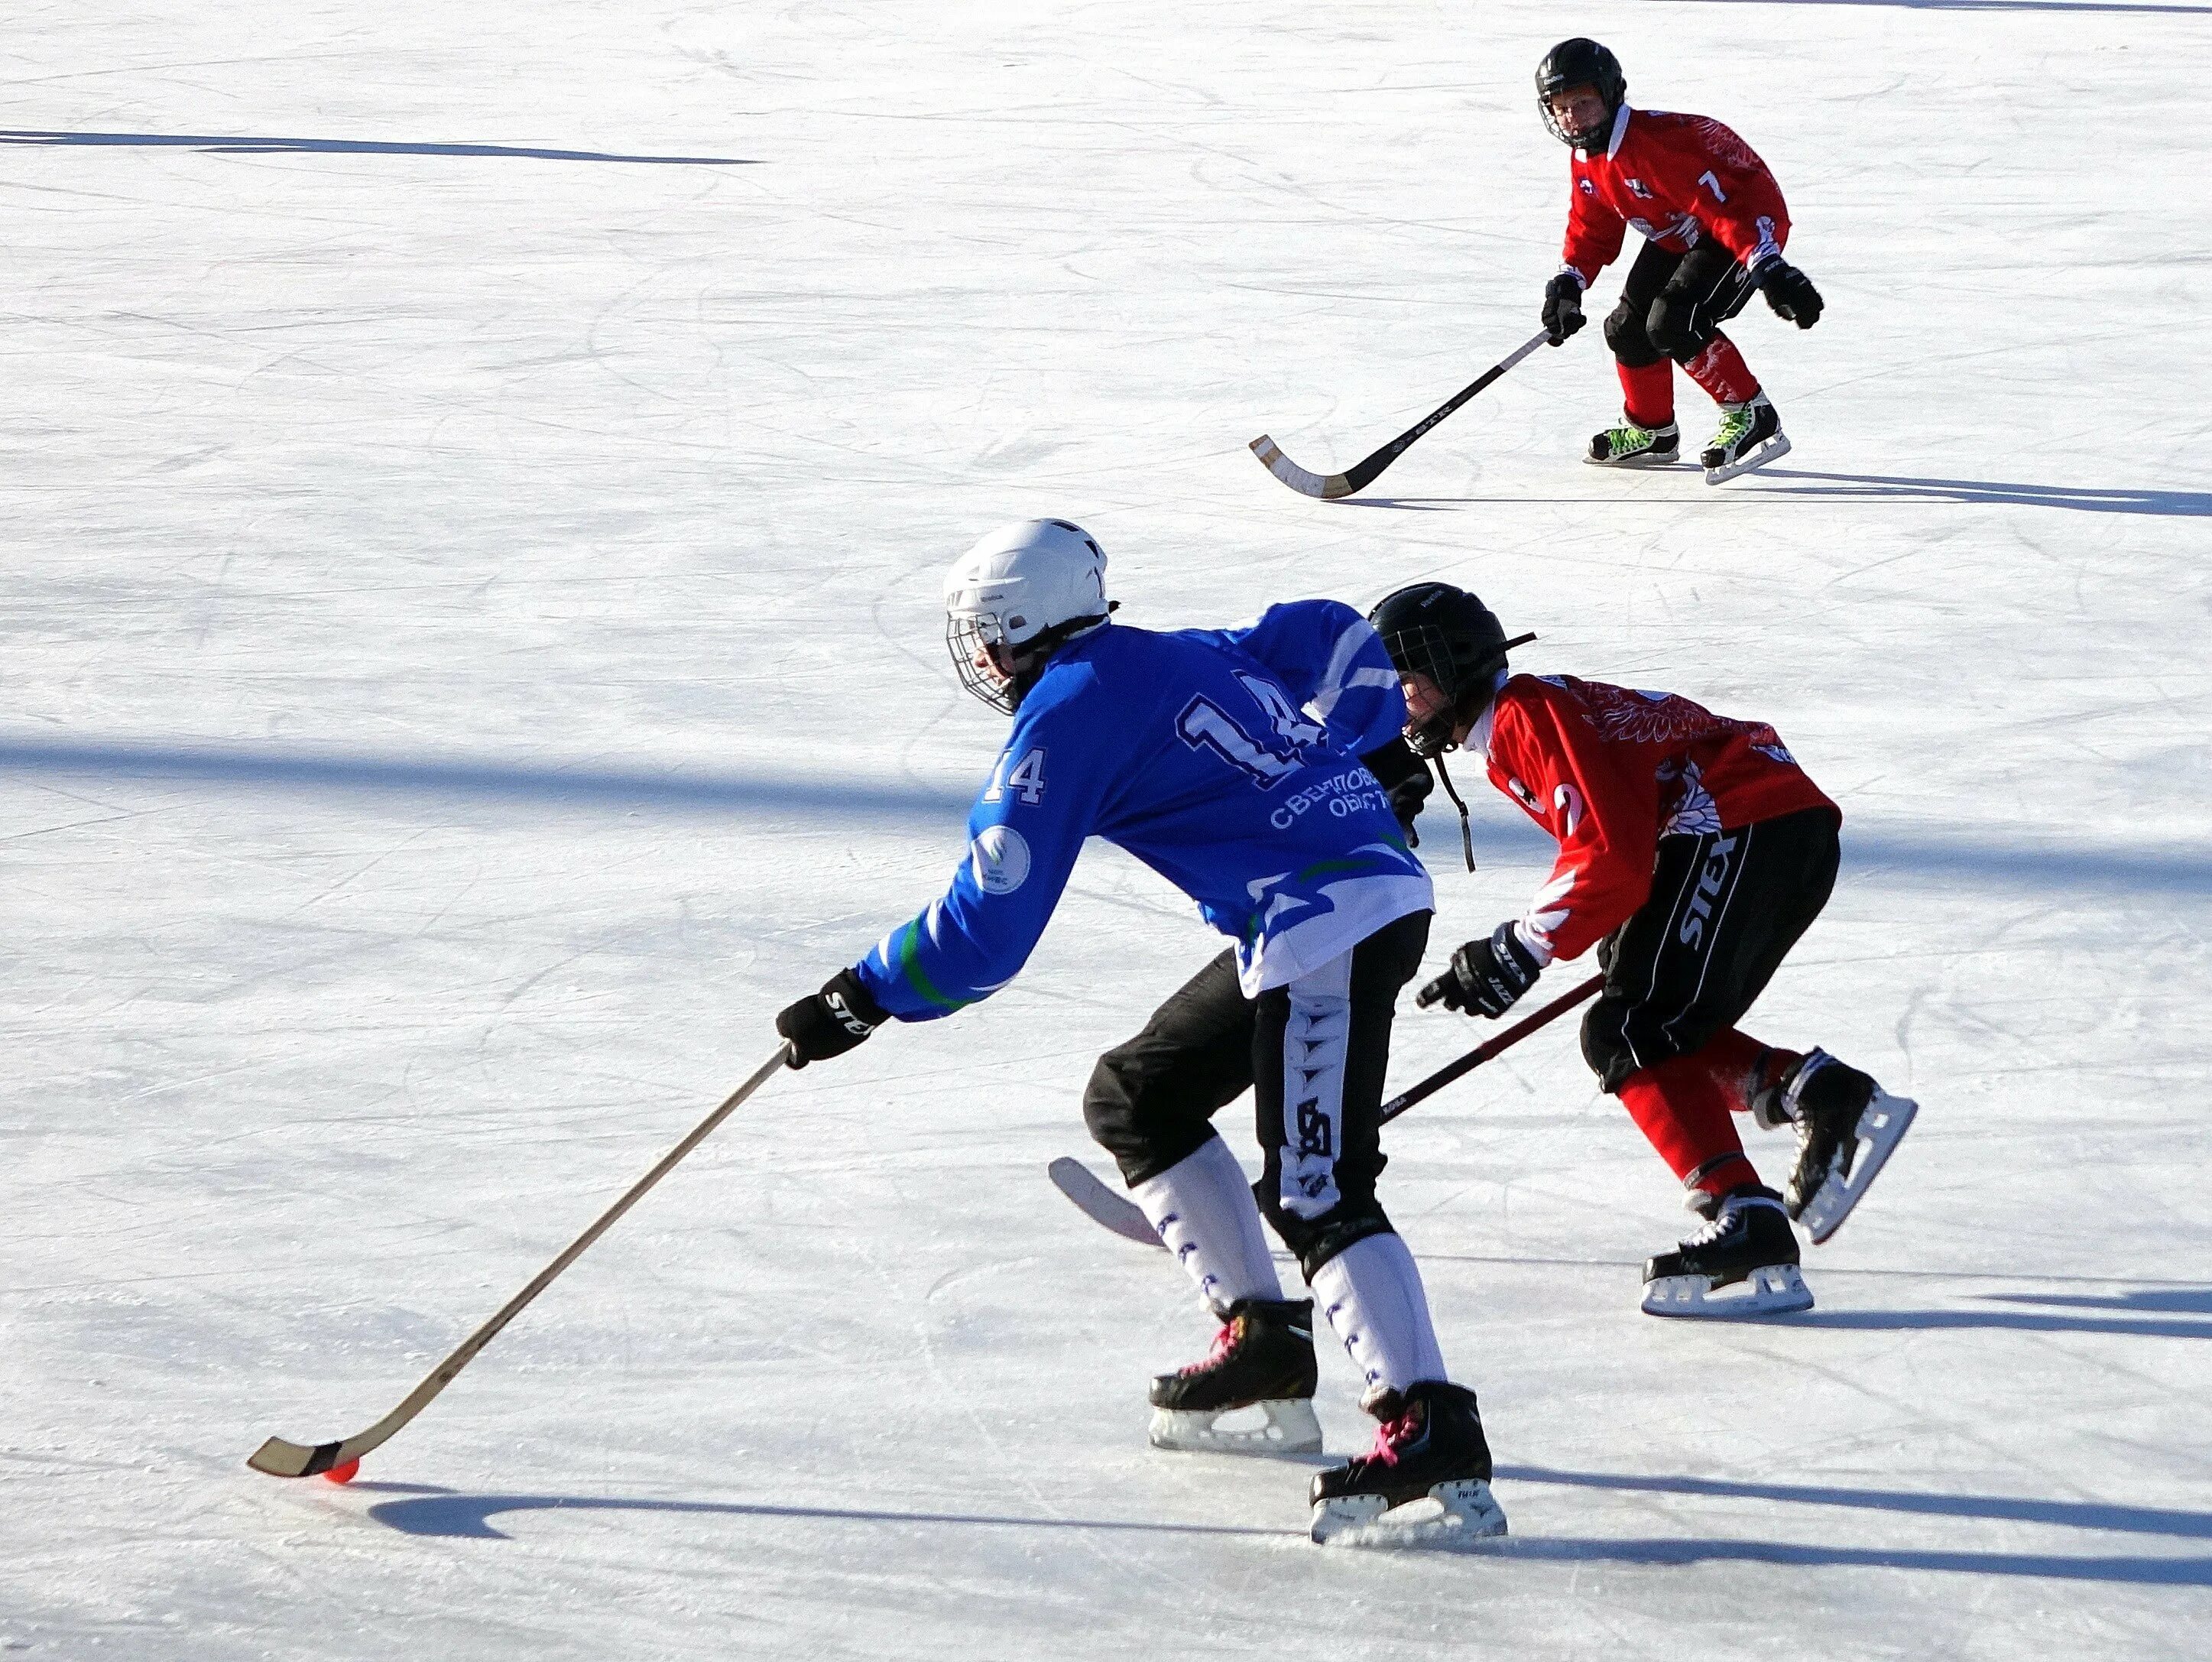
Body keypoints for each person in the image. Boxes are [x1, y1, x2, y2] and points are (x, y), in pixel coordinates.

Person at [774, 520, 1505, 1547]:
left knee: (1318, 1184)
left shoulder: (1062, 718)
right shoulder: (1176, 648)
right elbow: (1329, 634)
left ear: (1008, 635)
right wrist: (1374, 748)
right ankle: (1263, 1341)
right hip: (1316, 910)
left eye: (982, 635)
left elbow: (989, 926)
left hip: (1324, 919)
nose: (978, 656)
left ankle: (1428, 1427)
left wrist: (863, 993)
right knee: (1140, 1094)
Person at [1366, 581, 1917, 1317]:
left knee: (1628, 1025)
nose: (1398, 697)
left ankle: (1747, 1216)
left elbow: (1612, 859)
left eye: (1406, 675)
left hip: (1743, 820)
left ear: (1453, 662)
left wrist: (1521, 948)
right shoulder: (1518, 724)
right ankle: (1813, 1092)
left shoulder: (1526, 716)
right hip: (1755, 822)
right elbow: (1618, 849)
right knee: (1643, 1012)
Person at [1533, 37, 1825, 484]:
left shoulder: (1657, 146)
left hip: (1739, 221)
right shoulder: (1588, 157)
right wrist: (1569, 282)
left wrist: (1769, 268)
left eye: (1584, 103)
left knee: (1673, 321)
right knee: (1627, 328)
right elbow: (1591, 226)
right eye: (1561, 107)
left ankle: (1753, 413)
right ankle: (1653, 431)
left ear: (1613, 95)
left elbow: (1726, 208)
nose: (1572, 117)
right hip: (1681, 231)